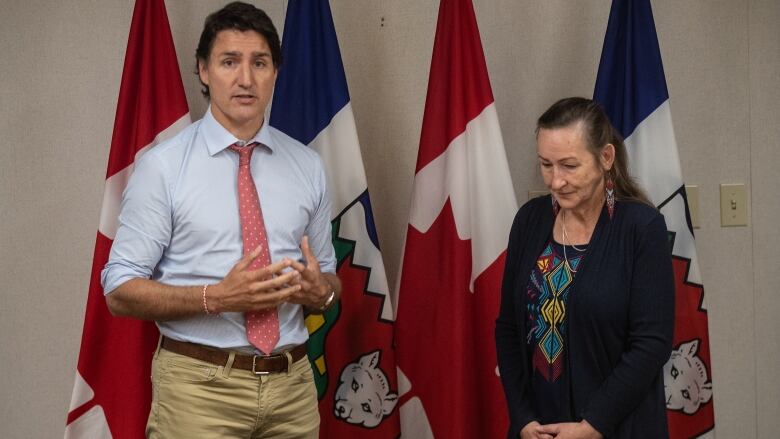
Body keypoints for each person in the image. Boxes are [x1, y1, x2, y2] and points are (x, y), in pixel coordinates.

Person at [101, 2, 341, 437]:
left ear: (275, 73)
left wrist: (319, 290)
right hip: (199, 388)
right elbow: (119, 290)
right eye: (229, 61)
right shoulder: (163, 167)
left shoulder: (308, 166)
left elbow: (330, 281)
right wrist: (217, 297)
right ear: (204, 71)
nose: (245, 79)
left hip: (293, 388)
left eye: (260, 63)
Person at [495, 97, 674, 439]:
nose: (555, 181)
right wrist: (522, 419)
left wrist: (592, 427)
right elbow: (508, 328)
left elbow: (651, 345)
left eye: (569, 166)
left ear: (605, 157)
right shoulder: (529, 221)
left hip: (616, 428)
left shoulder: (641, 228)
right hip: (537, 428)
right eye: (546, 164)